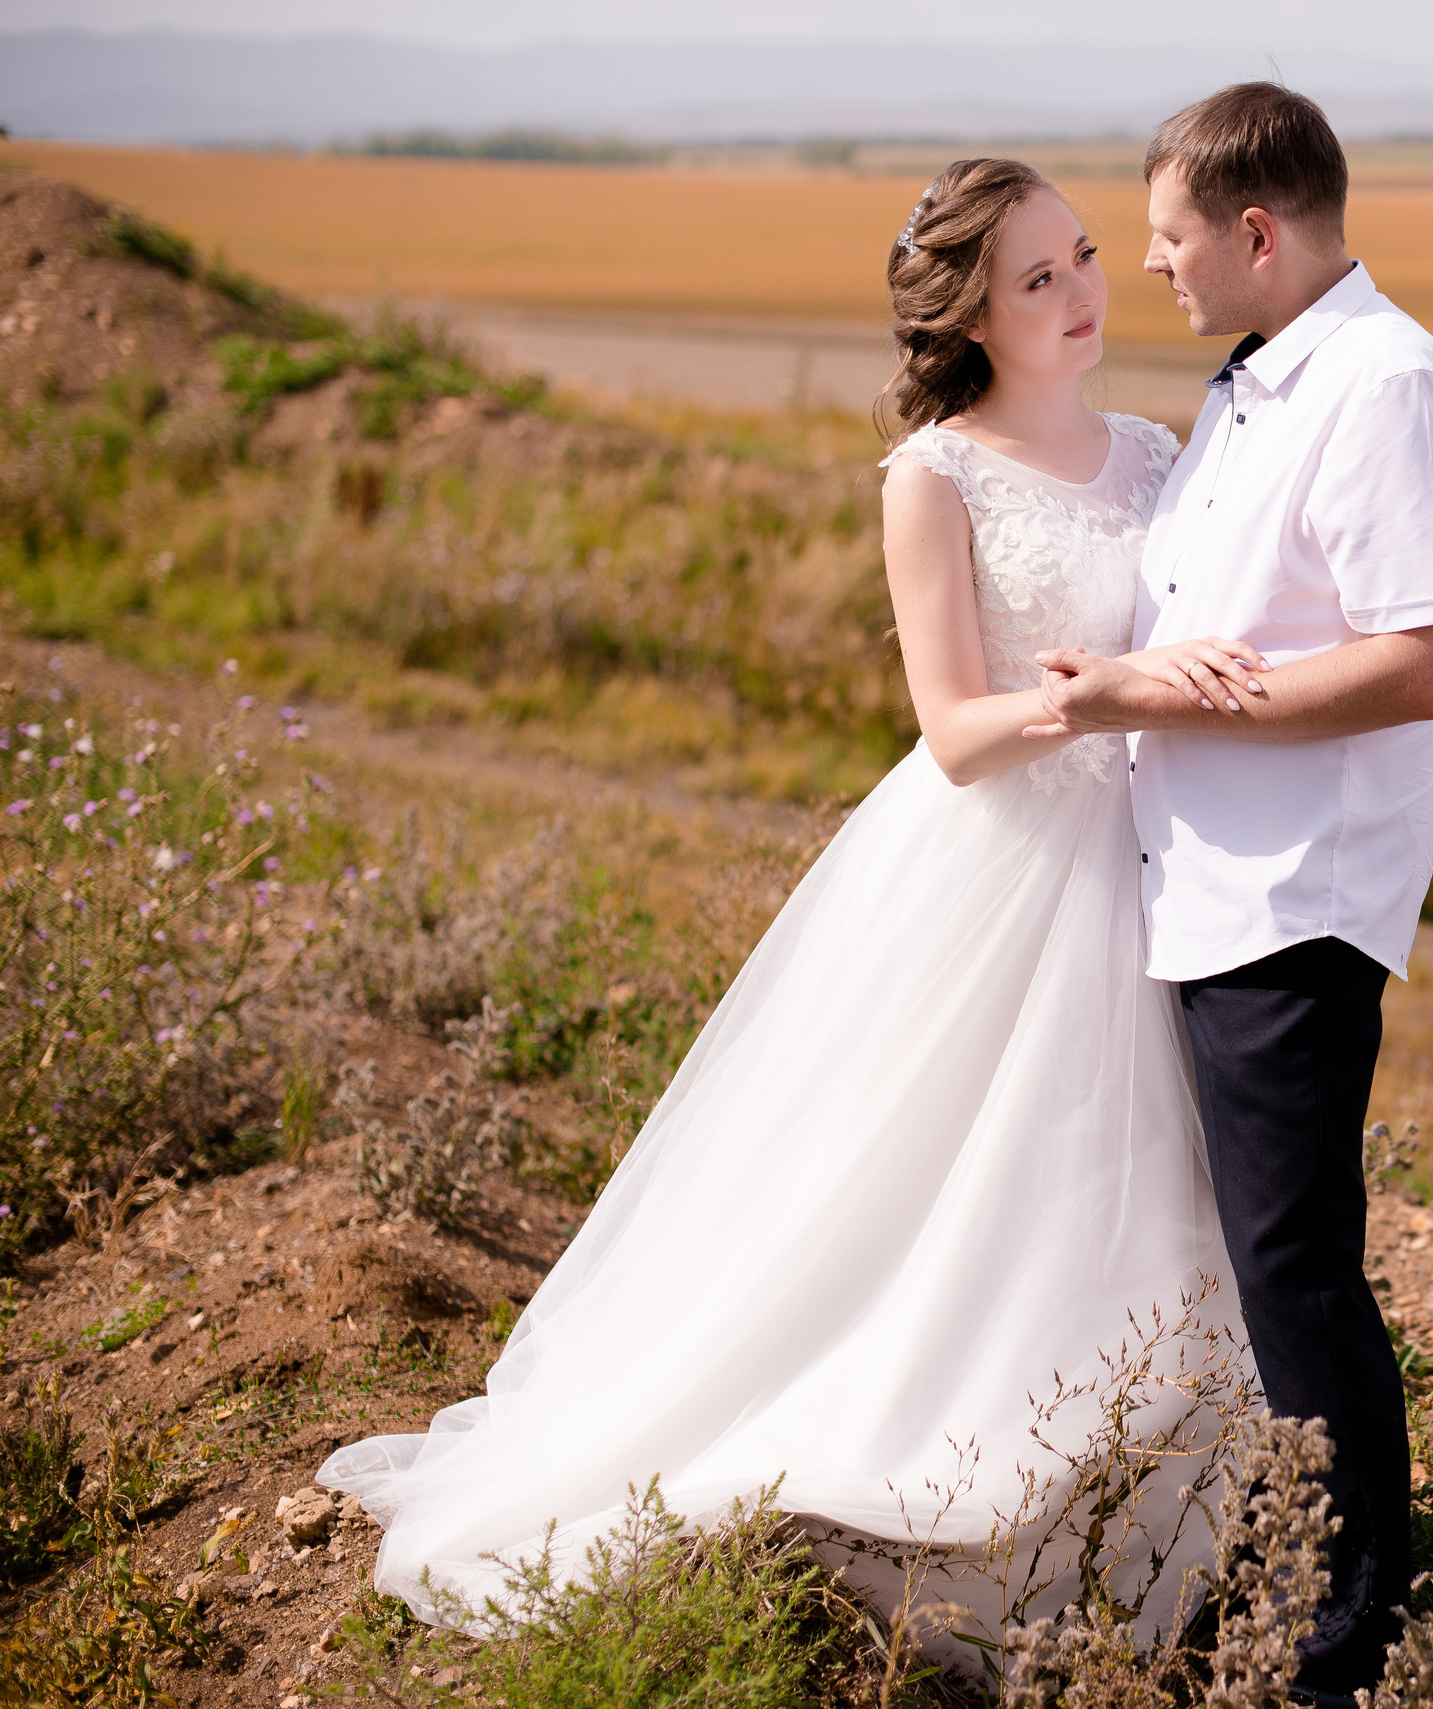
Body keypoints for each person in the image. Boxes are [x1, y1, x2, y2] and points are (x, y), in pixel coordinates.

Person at [316, 155, 1275, 1657]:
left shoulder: (1159, 453)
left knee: (1147, 1178)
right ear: (969, 311)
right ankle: (955, 1469)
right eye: (1039, 278)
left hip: (1153, 863)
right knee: (950, 1185)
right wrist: (1112, 698)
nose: (1084, 294)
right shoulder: (936, 476)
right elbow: (955, 731)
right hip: (1003, 869)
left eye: (1088, 256)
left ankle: (1140, 1475)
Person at [1030, 82, 1433, 1701]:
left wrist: (1148, 697)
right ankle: (1266, 1571)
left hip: (1293, 904)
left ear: (1258, 231)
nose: (1148, 267)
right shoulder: (1253, 383)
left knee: (1297, 1273)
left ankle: (1342, 1649)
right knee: (1249, 1262)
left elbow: (1411, 665)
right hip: (1204, 887)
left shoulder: (1382, 384)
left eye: (1164, 237)